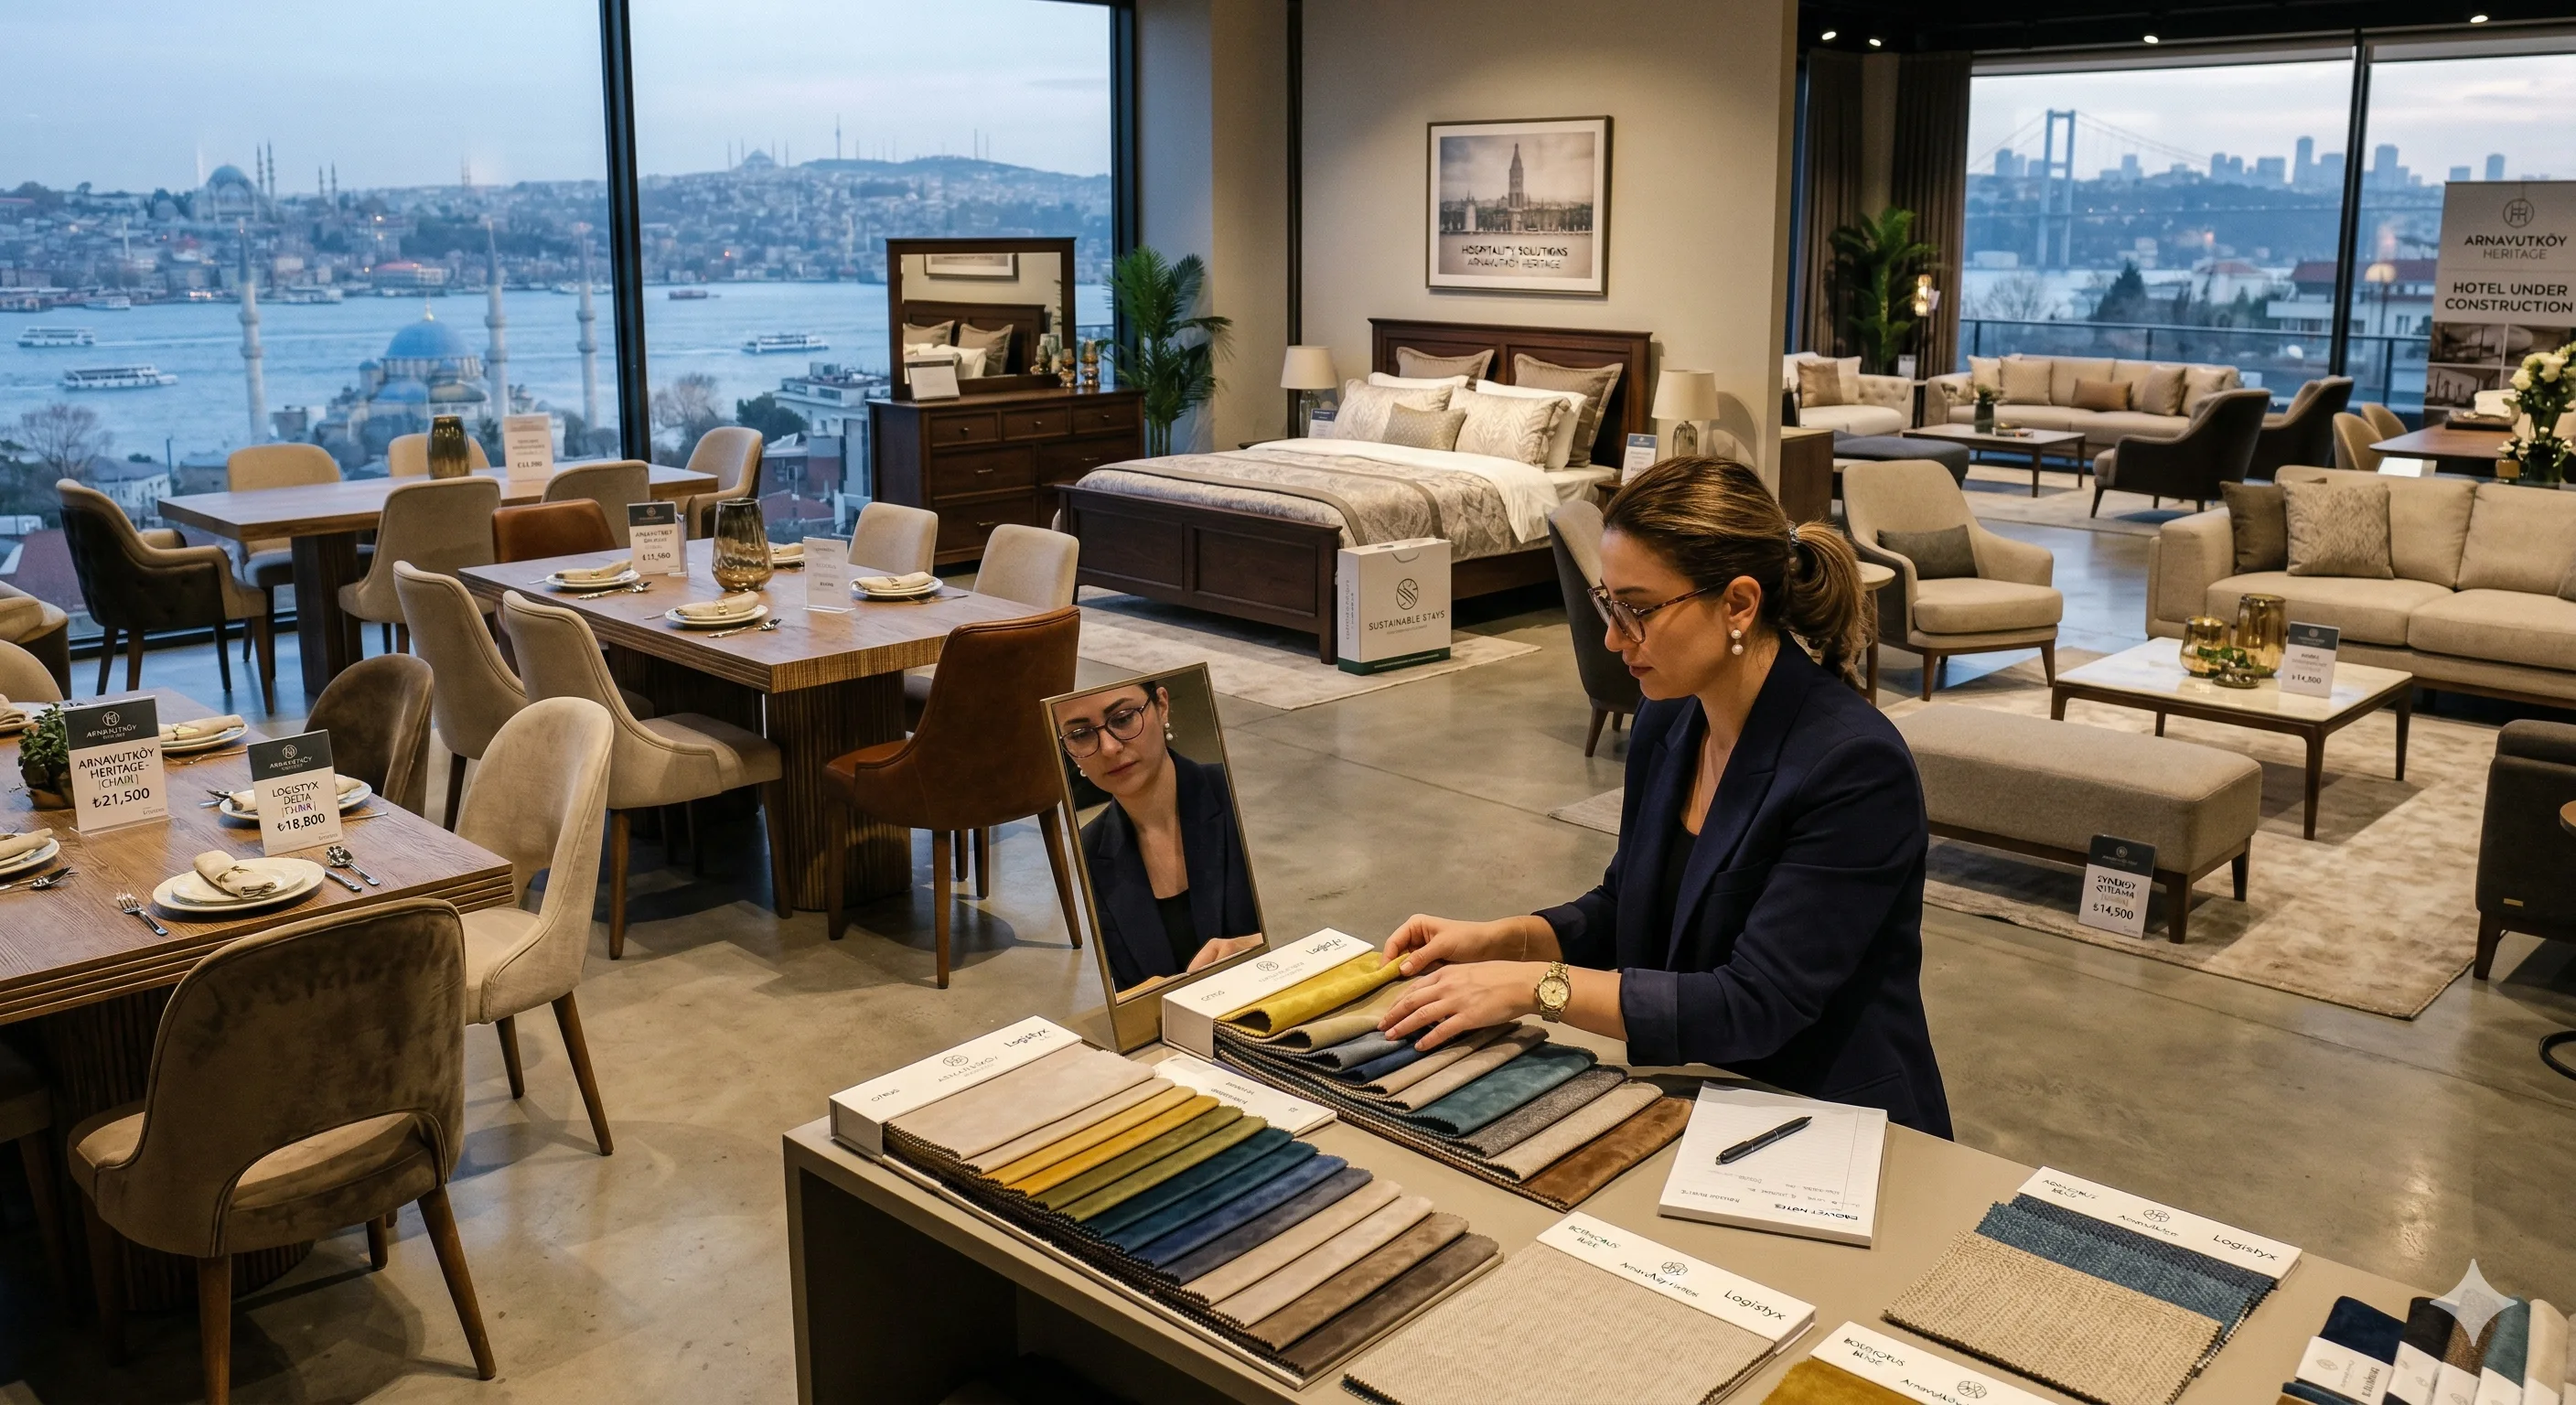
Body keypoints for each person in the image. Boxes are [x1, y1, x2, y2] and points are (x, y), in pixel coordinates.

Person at [1378, 458, 1951, 1134]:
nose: (1615, 639)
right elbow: (1630, 905)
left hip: (1829, 1120)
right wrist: (1508, 941)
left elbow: (1756, 1002)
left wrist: (1536, 988)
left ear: (1739, 604)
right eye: (1609, 604)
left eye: (1640, 610)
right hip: (1699, 1094)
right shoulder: (1671, 716)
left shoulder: (1852, 767)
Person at [1056, 681, 1265, 992]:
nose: (1110, 748)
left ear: (1162, 705)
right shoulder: (1089, 849)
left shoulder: (1241, 796)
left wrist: (1259, 949)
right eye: (1081, 735)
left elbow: (1330, 934)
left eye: (1124, 718)